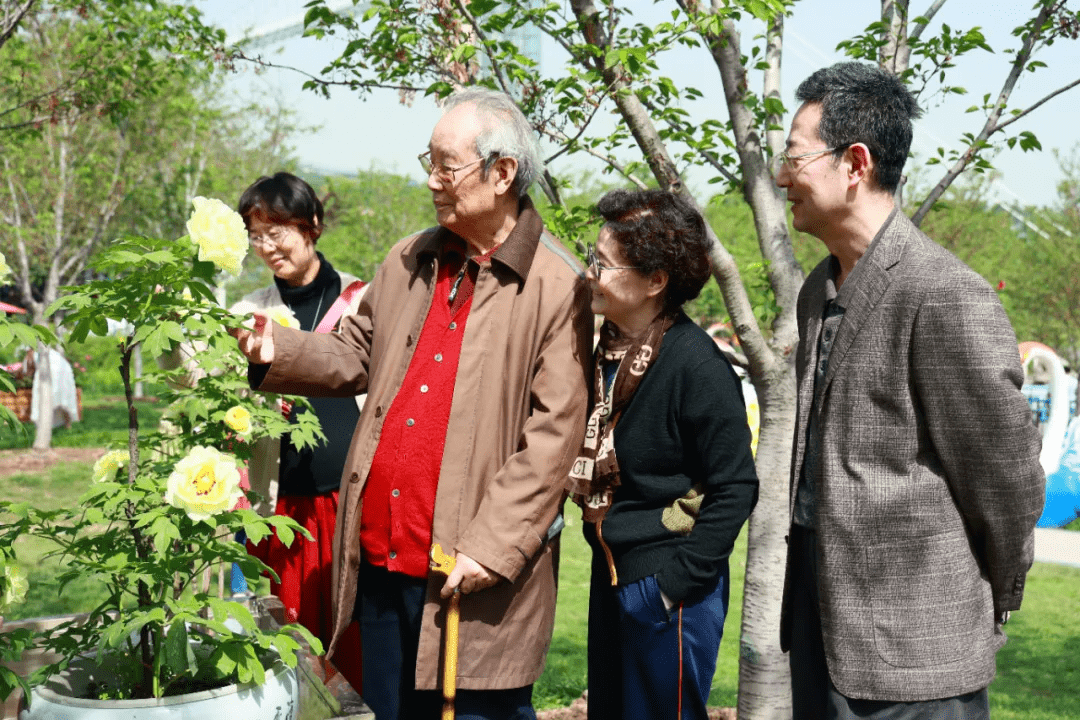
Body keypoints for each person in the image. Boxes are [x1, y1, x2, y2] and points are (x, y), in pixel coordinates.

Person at [232, 87, 592, 720]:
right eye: (428, 160)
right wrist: (275, 351)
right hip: (379, 554)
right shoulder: (408, 259)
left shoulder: (557, 284)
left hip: (470, 570)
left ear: (502, 172)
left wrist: (492, 544)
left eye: (445, 165)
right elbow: (352, 353)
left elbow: (554, 437)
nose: (431, 180)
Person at [775, 61, 1045, 719]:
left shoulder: (943, 293)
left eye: (793, 157)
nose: (782, 178)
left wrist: (990, 598)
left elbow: (1005, 482)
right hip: (819, 638)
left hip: (917, 662)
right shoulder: (819, 288)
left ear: (855, 162)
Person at [569, 189, 758, 720]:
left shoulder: (696, 365)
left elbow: (736, 486)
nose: (590, 274)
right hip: (613, 576)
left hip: (668, 587)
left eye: (603, 265)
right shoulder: (600, 351)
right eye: (592, 257)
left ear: (656, 281)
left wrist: (672, 588)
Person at [232, 172, 367, 693]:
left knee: (351, 639)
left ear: (312, 225)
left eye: (278, 231)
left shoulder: (363, 300)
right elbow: (193, 381)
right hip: (279, 507)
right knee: (284, 646)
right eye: (256, 234)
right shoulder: (247, 313)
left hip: (349, 504)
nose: (267, 247)